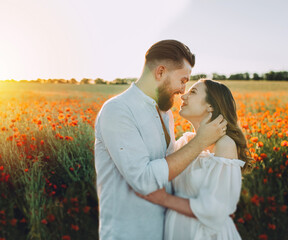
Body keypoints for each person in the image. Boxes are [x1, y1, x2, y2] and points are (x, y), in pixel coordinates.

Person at [94, 40, 227, 240]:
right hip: (127, 234)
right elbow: (144, 181)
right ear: (161, 72)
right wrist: (199, 141)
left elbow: (170, 173)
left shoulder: (165, 114)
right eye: (182, 80)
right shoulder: (118, 110)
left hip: (163, 232)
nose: (183, 90)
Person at [136, 79, 253, 240]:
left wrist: (164, 199)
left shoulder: (224, 144)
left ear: (210, 106)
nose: (183, 97)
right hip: (177, 230)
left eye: (193, 92)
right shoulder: (184, 142)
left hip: (206, 234)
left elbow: (216, 209)